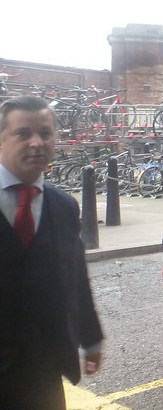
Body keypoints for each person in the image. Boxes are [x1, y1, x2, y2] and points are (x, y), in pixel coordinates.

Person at [0, 95, 104, 409]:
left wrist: (91, 337)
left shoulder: (64, 206)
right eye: (23, 133)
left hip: (43, 373)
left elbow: (76, 277)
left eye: (45, 133)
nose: (37, 143)